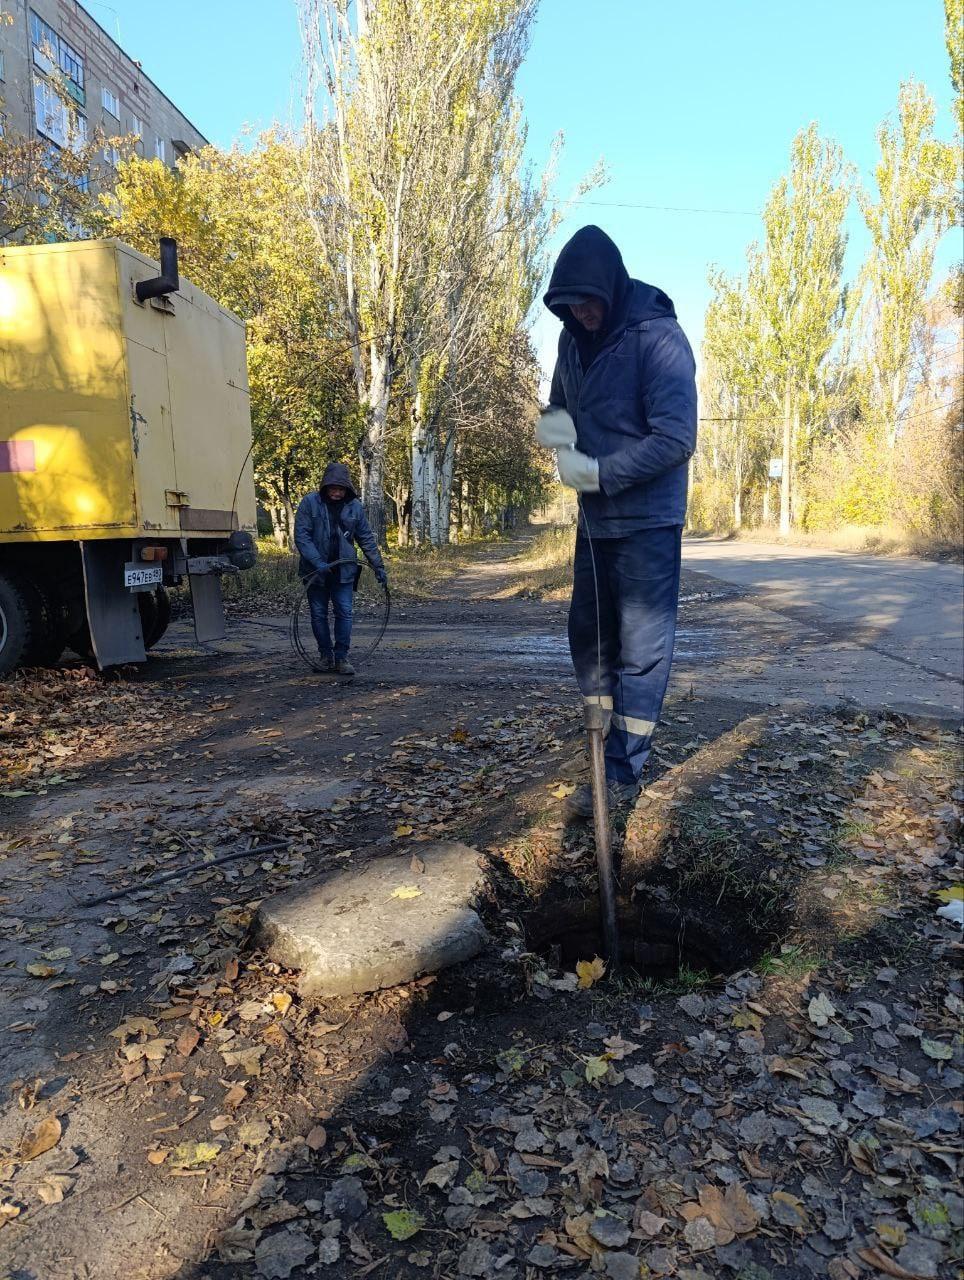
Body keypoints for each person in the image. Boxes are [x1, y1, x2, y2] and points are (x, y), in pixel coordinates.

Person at [537, 225, 697, 818]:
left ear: (610, 287)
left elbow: (676, 439)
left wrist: (601, 473)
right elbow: (556, 406)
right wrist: (559, 447)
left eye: (588, 302)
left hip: (647, 522)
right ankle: (599, 741)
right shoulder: (571, 341)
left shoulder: (658, 338)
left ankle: (624, 771)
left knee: (641, 649)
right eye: (570, 306)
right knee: (588, 636)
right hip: (594, 519)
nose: (581, 314)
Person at [293, 462, 388, 675]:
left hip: (344, 572)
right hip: (315, 572)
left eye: (341, 489)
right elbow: (302, 536)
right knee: (318, 614)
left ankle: (342, 657)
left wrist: (378, 566)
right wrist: (317, 562)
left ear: (347, 489)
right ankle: (326, 656)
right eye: (333, 488)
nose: (336, 493)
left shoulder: (355, 507)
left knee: (344, 613)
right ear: (325, 486)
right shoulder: (310, 503)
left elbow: (365, 538)